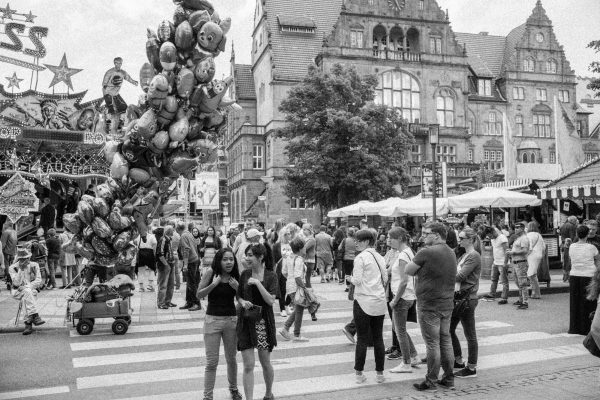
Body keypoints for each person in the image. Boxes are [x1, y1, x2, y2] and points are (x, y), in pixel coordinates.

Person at [405, 222, 457, 391]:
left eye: (426, 233)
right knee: (445, 340)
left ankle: (431, 381)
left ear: (436, 235)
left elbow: (408, 270)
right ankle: (449, 378)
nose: (423, 236)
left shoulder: (425, 252)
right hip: (447, 303)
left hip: (429, 304)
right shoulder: (451, 252)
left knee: (432, 344)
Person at [197, 248, 242, 400]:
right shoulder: (211, 273)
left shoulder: (235, 276)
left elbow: (242, 299)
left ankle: (234, 389)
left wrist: (238, 289)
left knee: (231, 359)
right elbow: (198, 294)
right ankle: (207, 396)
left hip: (231, 321)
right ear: (219, 261)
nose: (229, 262)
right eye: (225, 259)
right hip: (212, 321)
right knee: (211, 362)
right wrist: (213, 285)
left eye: (231, 259)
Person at [237, 243, 278, 400]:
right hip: (246, 322)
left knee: (265, 362)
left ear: (260, 257)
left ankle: (268, 393)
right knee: (248, 365)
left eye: (251, 255)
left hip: (262, 324)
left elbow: (270, 300)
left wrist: (258, 283)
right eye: (247, 255)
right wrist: (242, 302)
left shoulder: (270, 276)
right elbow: (239, 295)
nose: (247, 258)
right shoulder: (245, 274)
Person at [351, 229, 388, 384]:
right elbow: (385, 278)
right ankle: (380, 373)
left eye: (357, 241)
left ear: (366, 241)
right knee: (378, 337)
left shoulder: (360, 258)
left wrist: (350, 278)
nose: (355, 243)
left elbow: (357, 280)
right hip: (379, 300)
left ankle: (359, 373)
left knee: (362, 338)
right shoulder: (380, 256)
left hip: (363, 301)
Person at [450, 227, 481, 378]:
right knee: (449, 329)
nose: (459, 240)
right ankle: (458, 360)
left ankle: (471, 367)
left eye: (461, 238)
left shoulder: (474, 256)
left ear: (470, 239)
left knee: (470, 334)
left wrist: (444, 274)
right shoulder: (464, 255)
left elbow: (460, 276)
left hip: (467, 299)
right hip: (459, 298)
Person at [388, 227, 420, 373]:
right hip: (408, 296)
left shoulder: (402, 256)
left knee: (399, 330)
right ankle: (413, 356)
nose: (389, 240)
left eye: (391, 238)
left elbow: (403, 281)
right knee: (398, 328)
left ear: (399, 238)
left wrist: (395, 299)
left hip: (402, 297)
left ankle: (406, 362)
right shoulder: (407, 252)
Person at [567, 225, 600, 335]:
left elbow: (571, 259)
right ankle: (586, 327)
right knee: (588, 302)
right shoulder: (591, 247)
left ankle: (574, 327)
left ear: (577, 234)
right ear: (587, 235)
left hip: (575, 274)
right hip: (589, 274)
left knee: (575, 301)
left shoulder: (572, 246)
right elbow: (597, 259)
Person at [279, 236, 310, 342]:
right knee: (299, 310)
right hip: (297, 287)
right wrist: (304, 288)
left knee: (298, 309)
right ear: (301, 248)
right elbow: (298, 276)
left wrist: (290, 278)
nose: (305, 249)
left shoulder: (288, 257)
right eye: (304, 247)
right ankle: (296, 334)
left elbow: (284, 272)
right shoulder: (299, 259)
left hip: (290, 286)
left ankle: (286, 328)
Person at [9, 248, 45, 335]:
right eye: (25, 258)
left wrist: (27, 286)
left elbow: (38, 280)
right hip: (16, 291)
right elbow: (16, 283)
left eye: (28, 257)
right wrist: (21, 269)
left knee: (27, 294)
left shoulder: (34, 265)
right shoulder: (13, 268)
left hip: (30, 290)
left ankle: (28, 324)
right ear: (19, 259)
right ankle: (35, 316)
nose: (28, 260)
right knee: (28, 293)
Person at [272, 223, 300, 318]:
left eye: (289, 233)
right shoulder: (276, 246)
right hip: (281, 271)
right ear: (283, 235)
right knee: (282, 290)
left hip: (291, 270)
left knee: (291, 289)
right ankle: (282, 308)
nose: (289, 235)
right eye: (287, 234)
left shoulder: (292, 244)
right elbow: (274, 259)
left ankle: (287, 304)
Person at [178, 222, 202, 311]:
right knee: (190, 282)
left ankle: (196, 303)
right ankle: (189, 302)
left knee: (192, 283)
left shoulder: (184, 236)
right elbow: (195, 246)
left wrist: (185, 264)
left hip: (191, 261)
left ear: (178, 230)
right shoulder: (189, 234)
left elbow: (186, 250)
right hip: (194, 259)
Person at [483, 226, 510, 304]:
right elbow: (494, 249)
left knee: (504, 281)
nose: (490, 237)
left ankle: (504, 298)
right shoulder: (492, 239)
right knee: (494, 279)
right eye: (489, 236)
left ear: (493, 232)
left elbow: (507, 251)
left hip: (502, 263)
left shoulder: (502, 238)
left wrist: (505, 262)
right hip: (496, 262)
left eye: (490, 235)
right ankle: (492, 294)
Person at [507, 222, 530, 310]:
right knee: (518, 282)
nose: (515, 229)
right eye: (515, 228)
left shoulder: (524, 238)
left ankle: (525, 302)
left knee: (522, 283)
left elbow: (525, 251)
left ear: (522, 229)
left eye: (518, 228)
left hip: (521, 262)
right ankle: (521, 300)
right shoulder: (519, 238)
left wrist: (513, 252)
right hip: (516, 262)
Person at [156, 227, 176, 310]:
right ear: (169, 231)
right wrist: (166, 264)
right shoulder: (163, 239)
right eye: (172, 230)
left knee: (171, 284)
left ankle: (168, 301)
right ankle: (161, 303)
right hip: (164, 265)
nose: (173, 231)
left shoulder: (169, 239)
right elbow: (160, 253)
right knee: (163, 285)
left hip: (171, 264)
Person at [526, 221, 545, 299]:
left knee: (531, 274)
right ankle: (535, 292)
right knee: (533, 273)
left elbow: (528, 247)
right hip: (538, 255)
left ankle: (536, 293)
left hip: (531, 255)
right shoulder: (539, 235)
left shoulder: (528, 235)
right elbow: (544, 247)